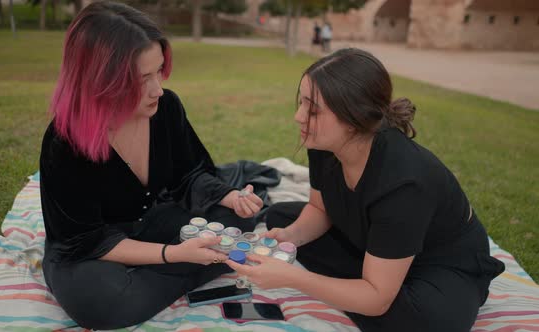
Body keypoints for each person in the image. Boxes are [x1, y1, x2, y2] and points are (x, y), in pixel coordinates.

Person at [226, 48, 505, 332]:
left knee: (422, 322)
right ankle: (365, 281)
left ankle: (367, 285)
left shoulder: (404, 183)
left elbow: (378, 301)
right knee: (281, 219)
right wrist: (289, 238)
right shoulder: (325, 145)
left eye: (312, 109)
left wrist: (292, 278)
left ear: (354, 117)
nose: (299, 116)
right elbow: (320, 208)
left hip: (439, 265)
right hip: (375, 243)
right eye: (301, 102)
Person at [39, 2, 263, 330]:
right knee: (101, 301)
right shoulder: (65, 142)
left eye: (159, 71)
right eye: (143, 78)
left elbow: (189, 174)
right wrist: (174, 255)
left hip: (153, 221)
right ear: (102, 80)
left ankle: (162, 276)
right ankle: (186, 269)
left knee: (237, 222)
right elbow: (84, 240)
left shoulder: (166, 107)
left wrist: (229, 197)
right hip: (91, 247)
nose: (158, 88)